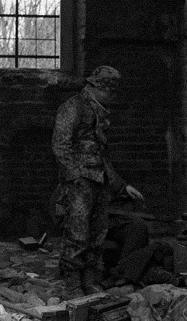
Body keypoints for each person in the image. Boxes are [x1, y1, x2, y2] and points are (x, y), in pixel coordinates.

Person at [51, 65, 144, 294]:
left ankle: (89, 280)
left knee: (97, 233)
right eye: (109, 92)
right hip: (80, 182)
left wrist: (122, 186)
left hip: (98, 181)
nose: (112, 97)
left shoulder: (98, 111)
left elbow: (101, 157)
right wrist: (74, 177)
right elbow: (61, 144)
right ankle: (73, 283)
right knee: (78, 232)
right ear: (96, 87)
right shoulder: (73, 107)